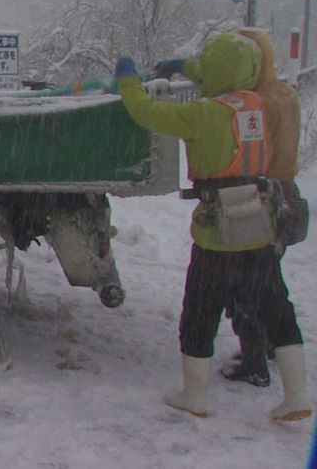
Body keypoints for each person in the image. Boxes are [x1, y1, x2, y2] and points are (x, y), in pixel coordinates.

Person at [120, 33, 310, 421]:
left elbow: (144, 111)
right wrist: (185, 68)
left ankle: (196, 395)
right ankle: (297, 396)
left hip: (217, 231)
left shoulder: (204, 114)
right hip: (258, 224)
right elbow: (224, 72)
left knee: (200, 312)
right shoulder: (259, 104)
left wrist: (127, 81)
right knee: (277, 307)